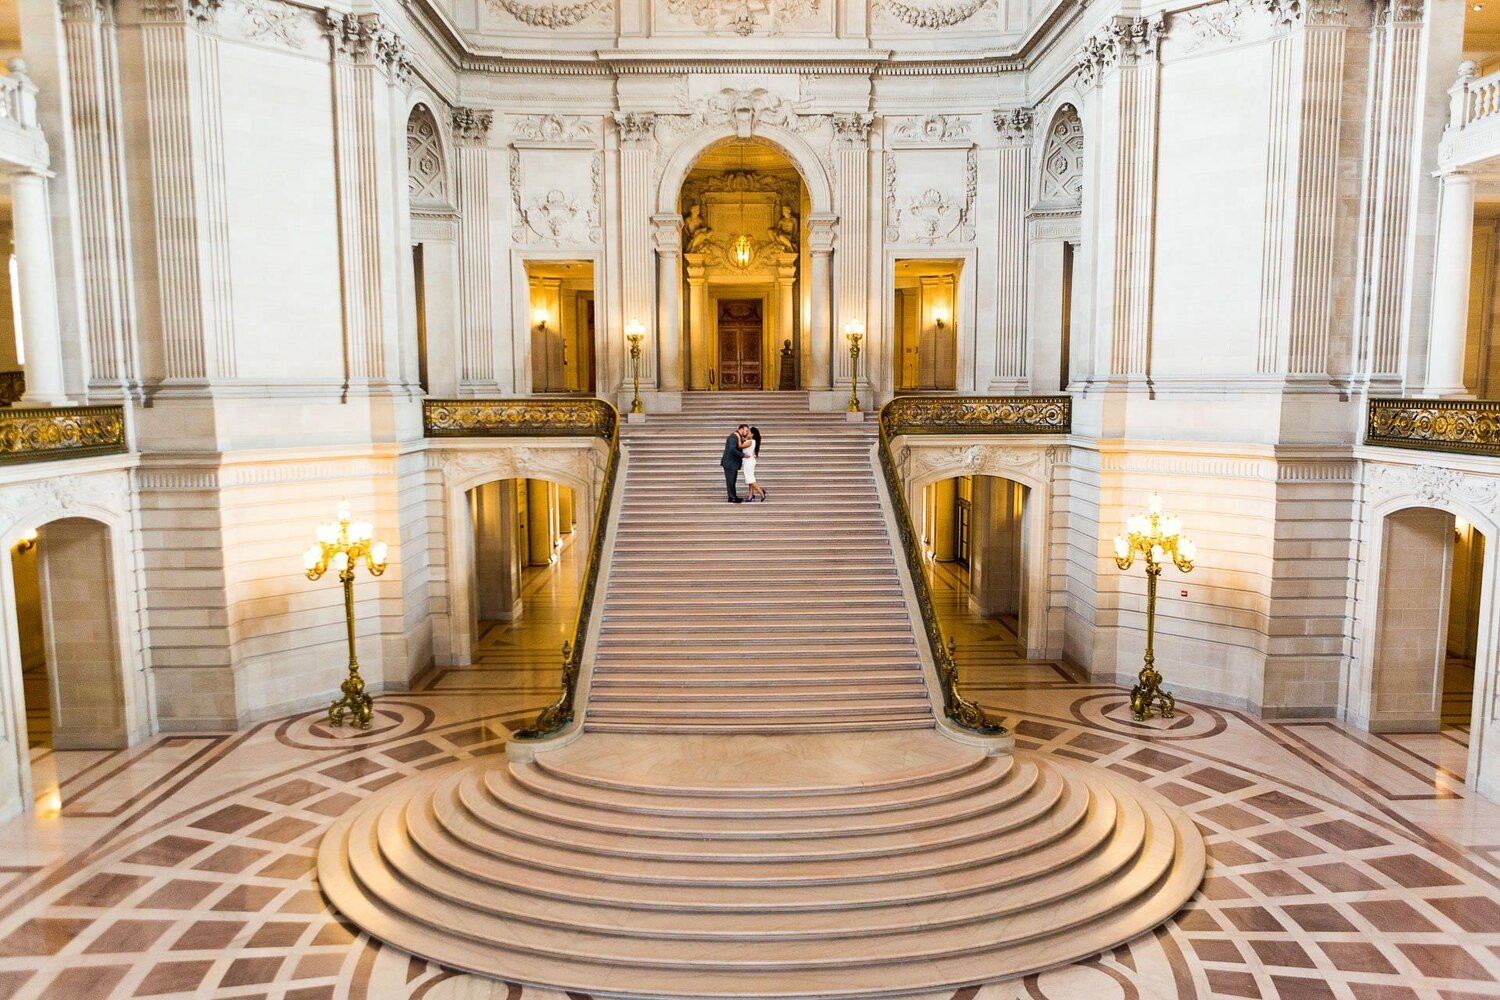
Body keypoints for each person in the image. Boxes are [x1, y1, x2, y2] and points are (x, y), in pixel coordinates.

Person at [721, 423, 749, 503]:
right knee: (730, 481)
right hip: (730, 463)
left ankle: (733, 496)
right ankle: (732, 497)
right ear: (741, 429)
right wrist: (743, 455)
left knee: (732, 481)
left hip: (732, 463)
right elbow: (732, 449)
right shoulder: (733, 437)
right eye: (746, 430)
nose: (746, 432)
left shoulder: (738, 437)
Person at [743, 426, 768, 502]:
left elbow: (740, 446)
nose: (747, 433)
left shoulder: (750, 441)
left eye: (749, 432)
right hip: (748, 461)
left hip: (748, 462)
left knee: (750, 479)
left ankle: (761, 492)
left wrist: (737, 437)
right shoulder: (751, 441)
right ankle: (751, 496)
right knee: (750, 479)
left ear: (752, 434)